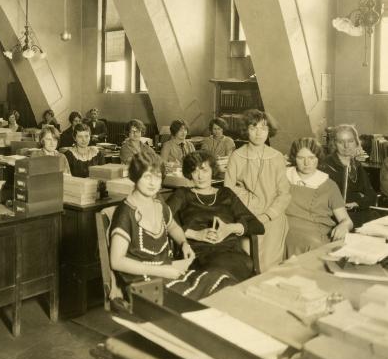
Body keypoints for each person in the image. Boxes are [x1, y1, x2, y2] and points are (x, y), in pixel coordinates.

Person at [109, 151, 235, 301]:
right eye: (147, 176)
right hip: (142, 284)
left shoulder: (158, 203)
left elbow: (173, 227)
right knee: (206, 299)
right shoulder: (125, 212)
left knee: (224, 282)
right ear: (135, 177)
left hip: (166, 272)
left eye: (157, 177)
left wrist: (184, 243)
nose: (153, 183)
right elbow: (116, 261)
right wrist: (162, 271)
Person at [167, 151, 264, 282]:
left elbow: (257, 226)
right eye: (195, 171)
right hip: (197, 254)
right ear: (189, 174)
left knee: (225, 271)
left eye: (204, 170)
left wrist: (230, 228)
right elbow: (159, 219)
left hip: (230, 253)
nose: (200, 176)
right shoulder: (182, 194)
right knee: (216, 275)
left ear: (213, 170)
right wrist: (195, 234)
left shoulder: (226, 194)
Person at [224, 109, 290, 272]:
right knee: (249, 264)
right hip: (247, 216)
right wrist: (250, 202)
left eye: (263, 128)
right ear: (246, 130)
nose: (259, 133)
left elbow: (284, 194)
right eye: (253, 128)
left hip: (273, 218)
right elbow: (228, 190)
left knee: (271, 268)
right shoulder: (237, 156)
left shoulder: (277, 157)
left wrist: (267, 215)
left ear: (269, 131)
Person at [285, 138, 353, 257]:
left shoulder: (329, 185)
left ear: (318, 158)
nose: (307, 163)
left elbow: (346, 220)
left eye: (311, 158)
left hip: (314, 236)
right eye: (301, 158)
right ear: (294, 158)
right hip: (283, 229)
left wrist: (344, 225)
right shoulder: (283, 177)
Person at [320, 124, 379, 227]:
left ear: (356, 142)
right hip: (339, 219)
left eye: (350, 141)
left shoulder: (356, 164)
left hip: (361, 213)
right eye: (341, 142)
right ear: (334, 143)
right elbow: (331, 200)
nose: (346, 146)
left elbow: (371, 196)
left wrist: (357, 203)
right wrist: (360, 197)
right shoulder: (326, 166)